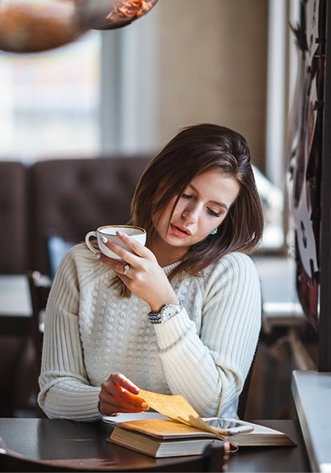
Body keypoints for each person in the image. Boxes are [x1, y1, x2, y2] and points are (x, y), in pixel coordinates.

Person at [38, 123, 264, 421]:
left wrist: (164, 304)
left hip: (194, 458)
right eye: (186, 194)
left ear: (224, 219)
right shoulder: (81, 265)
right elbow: (53, 391)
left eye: (213, 211)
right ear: (160, 181)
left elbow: (210, 406)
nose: (191, 217)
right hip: (100, 454)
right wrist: (102, 402)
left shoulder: (232, 273)